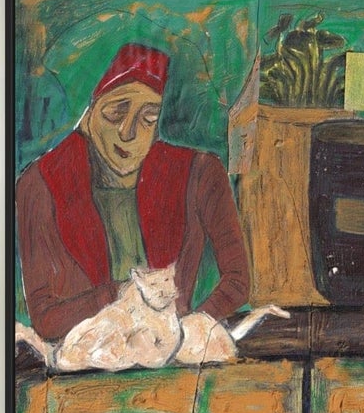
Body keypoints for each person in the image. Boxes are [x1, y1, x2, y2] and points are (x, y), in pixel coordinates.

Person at [16, 42, 251, 340]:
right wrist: (120, 295)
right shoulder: (40, 183)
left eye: (148, 118)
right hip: (86, 360)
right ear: (87, 115)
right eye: (115, 113)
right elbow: (46, 319)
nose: (128, 133)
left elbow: (238, 280)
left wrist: (189, 330)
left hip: (174, 355)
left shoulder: (199, 174)